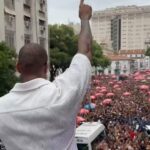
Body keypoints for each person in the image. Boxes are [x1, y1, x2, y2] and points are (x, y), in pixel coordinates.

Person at [0, 0, 92, 150]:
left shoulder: (2, 108)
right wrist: (84, 18)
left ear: (18, 67)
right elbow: (86, 50)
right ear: (46, 67)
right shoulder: (63, 94)